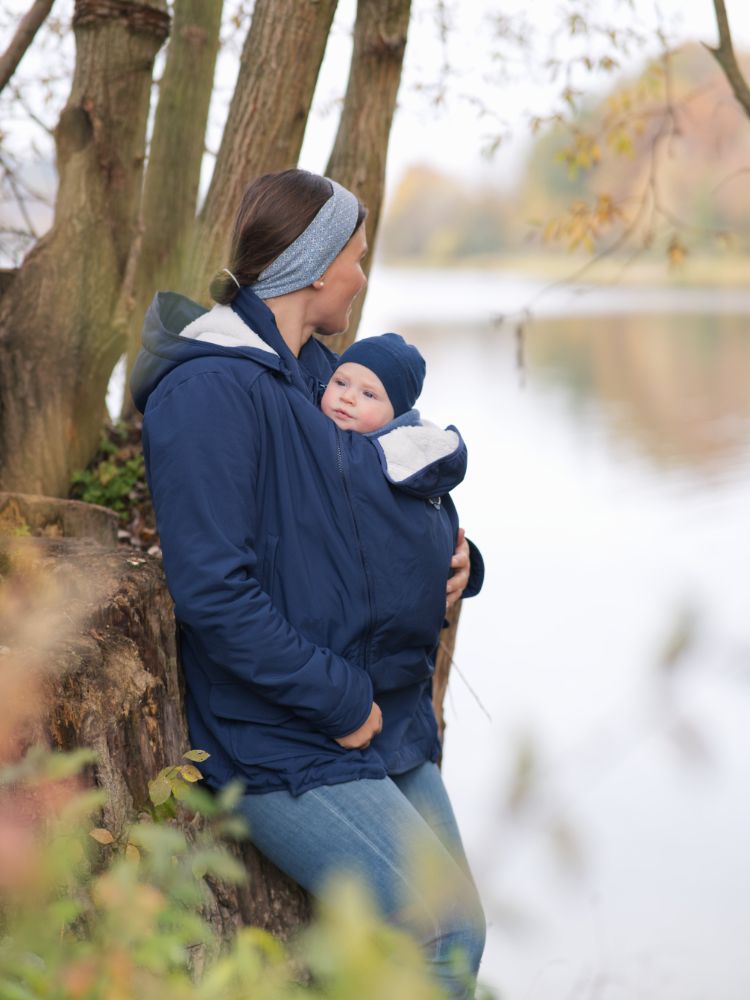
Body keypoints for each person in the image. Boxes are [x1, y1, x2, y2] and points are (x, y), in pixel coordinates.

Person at [130, 169, 486, 998]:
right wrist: (339, 701)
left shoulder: (310, 375)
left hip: (380, 716)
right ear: (319, 267)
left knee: (457, 932)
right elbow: (214, 592)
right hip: (284, 730)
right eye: (357, 257)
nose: (363, 274)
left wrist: (465, 563)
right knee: (437, 933)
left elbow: (372, 505)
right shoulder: (211, 388)